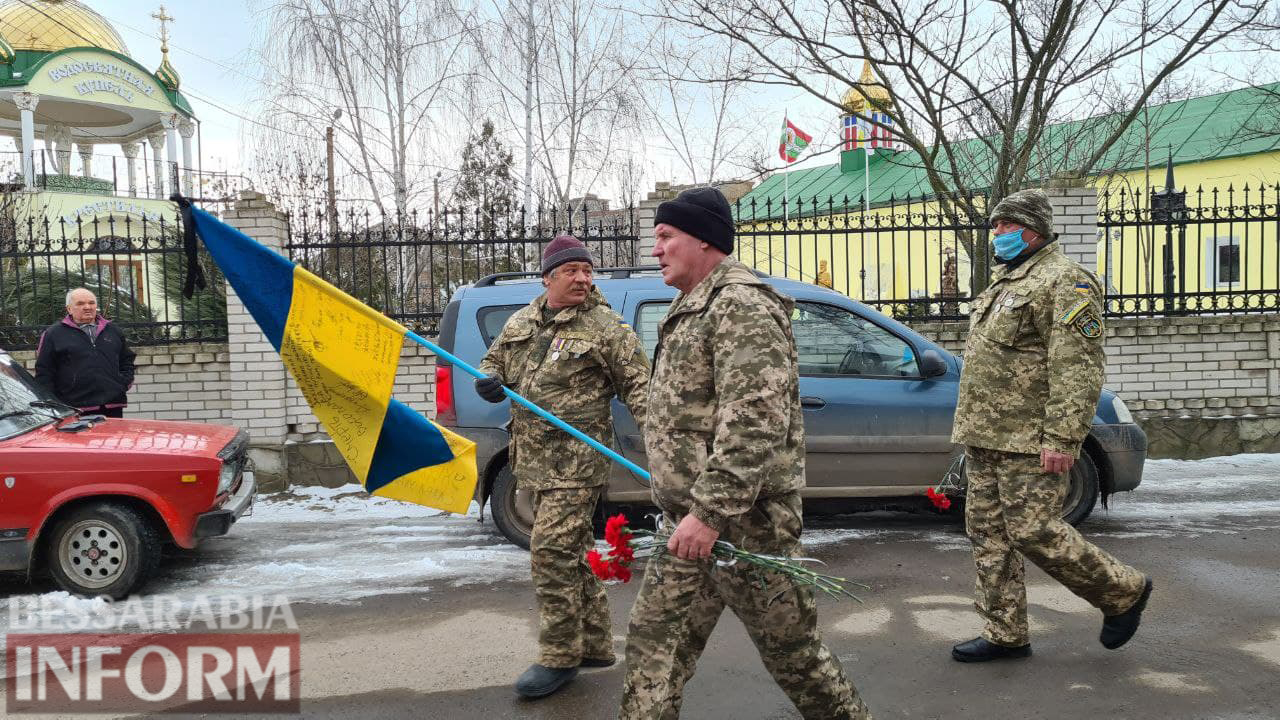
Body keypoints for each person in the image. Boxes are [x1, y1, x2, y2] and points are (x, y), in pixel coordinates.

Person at [619, 187, 872, 719]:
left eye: (666, 237)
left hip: (743, 524)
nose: (655, 249)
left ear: (705, 240)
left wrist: (709, 514)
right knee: (654, 647)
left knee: (793, 654)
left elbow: (755, 420)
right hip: (687, 525)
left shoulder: (741, 305)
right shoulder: (691, 304)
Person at [950, 189, 1152, 663]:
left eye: (1004, 225)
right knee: (988, 535)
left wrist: (1063, 437)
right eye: (995, 224)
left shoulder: (1066, 281)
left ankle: (1123, 591)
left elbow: (1077, 369)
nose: (995, 233)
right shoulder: (1006, 282)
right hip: (987, 438)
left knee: (1035, 531)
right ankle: (1005, 633)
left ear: (1032, 229)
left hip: (1028, 440)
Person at [476, 234, 650, 699]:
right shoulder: (521, 321)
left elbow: (641, 391)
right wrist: (488, 383)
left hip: (577, 463)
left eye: (587, 271)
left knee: (550, 551)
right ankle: (594, 645)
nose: (582, 278)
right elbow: (491, 364)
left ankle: (559, 656)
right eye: (571, 271)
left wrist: (664, 446)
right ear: (549, 277)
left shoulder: (607, 328)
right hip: (532, 460)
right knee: (571, 553)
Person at [34, 288, 136, 418]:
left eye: (91, 303)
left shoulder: (113, 330)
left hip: (112, 406)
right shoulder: (53, 334)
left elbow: (126, 360)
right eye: (80, 304)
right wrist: (54, 404)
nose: (87, 307)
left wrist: (122, 384)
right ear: (69, 309)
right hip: (74, 409)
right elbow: (44, 372)